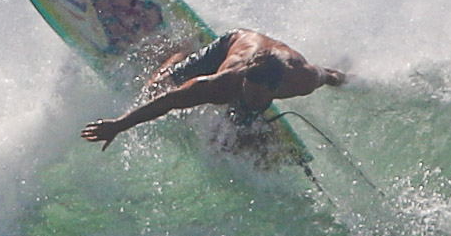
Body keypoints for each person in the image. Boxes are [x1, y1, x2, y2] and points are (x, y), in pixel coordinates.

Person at [80, 29, 346, 150]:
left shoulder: (302, 80)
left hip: (273, 60)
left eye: (257, 95)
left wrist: (352, 80)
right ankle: (182, 50)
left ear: (275, 90)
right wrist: (119, 124)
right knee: (155, 88)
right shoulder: (223, 84)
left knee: (239, 140)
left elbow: (330, 75)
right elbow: (168, 101)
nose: (249, 96)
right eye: (248, 90)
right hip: (231, 44)